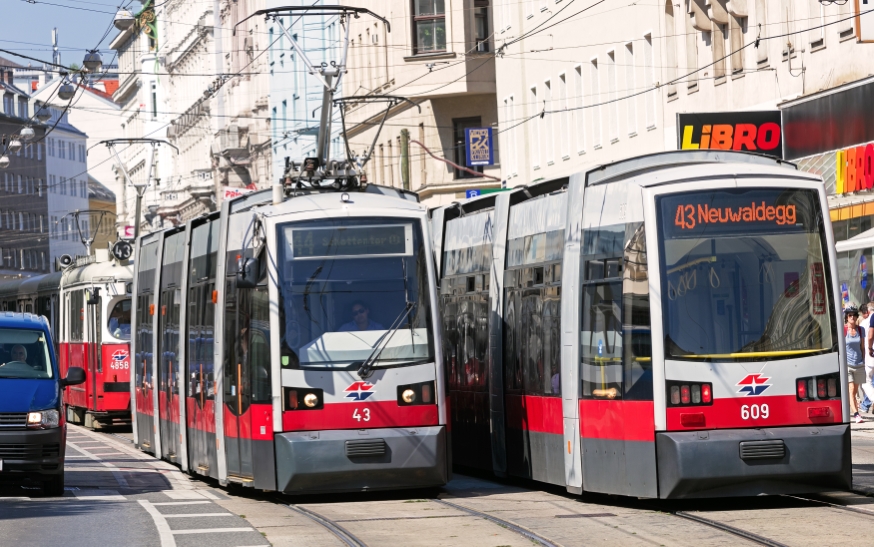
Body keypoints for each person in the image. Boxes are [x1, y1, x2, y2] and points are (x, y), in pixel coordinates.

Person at [845, 305, 867, 424]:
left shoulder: (860, 330)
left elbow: (862, 347)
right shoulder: (843, 330)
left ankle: (852, 407)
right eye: (850, 315)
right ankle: (856, 414)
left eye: (854, 315)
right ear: (847, 317)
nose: (852, 317)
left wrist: (863, 361)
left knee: (854, 392)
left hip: (858, 364)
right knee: (851, 388)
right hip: (848, 364)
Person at [860, 302, 874, 414]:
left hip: (870, 356)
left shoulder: (865, 322)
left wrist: (869, 348)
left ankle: (868, 403)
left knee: (865, 382)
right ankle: (865, 404)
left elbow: (869, 337)